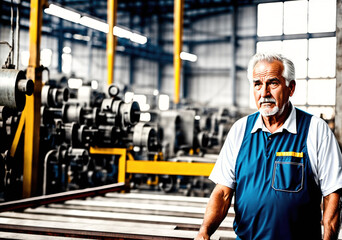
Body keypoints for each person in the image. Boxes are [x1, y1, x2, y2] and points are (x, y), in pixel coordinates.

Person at [195, 52, 342, 240]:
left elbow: (332, 196)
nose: (264, 93)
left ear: (291, 88)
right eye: (257, 84)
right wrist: (204, 231)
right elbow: (223, 192)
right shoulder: (240, 130)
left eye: (273, 83)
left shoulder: (316, 131)